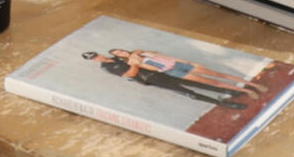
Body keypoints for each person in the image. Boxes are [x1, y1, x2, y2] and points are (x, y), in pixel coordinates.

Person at [82, 44, 258, 109]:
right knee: (188, 92)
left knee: (199, 82)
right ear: (93, 61)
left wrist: (135, 55)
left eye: (96, 55)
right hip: (151, 79)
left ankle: (232, 92)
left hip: (161, 70)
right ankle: (224, 103)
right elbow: (131, 73)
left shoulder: (115, 57)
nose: (97, 58)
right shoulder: (106, 67)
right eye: (94, 58)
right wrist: (134, 62)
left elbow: (139, 53)